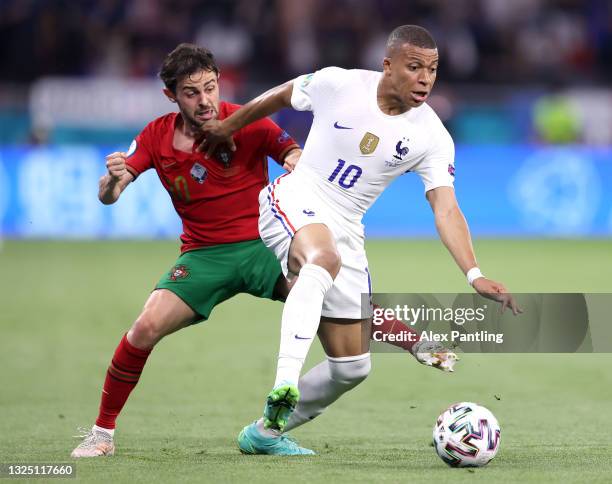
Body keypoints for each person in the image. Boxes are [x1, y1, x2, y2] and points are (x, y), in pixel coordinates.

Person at [71, 42, 454, 459]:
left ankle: (412, 342)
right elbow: (111, 193)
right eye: (192, 92)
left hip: (261, 247)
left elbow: (293, 155)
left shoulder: (246, 121)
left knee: (328, 290)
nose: (205, 100)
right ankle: (101, 434)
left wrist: (297, 165)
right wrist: (111, 182)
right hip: (203, 256)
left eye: (211, 88)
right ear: (172, 96)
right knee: (144, 328)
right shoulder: (155, 136)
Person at [198, 25, 520, 455]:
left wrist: (474, 274)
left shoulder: (431, 135)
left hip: (348, 227)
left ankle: (265, 432)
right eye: (415, 67)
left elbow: (446, 208)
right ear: (387, 66)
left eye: (433, 69)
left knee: (351, 366)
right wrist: (227, 127)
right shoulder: (339, 83)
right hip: (297, 196)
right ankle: (285, 383)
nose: (426, 78)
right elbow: (280, 94)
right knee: (321, 259)